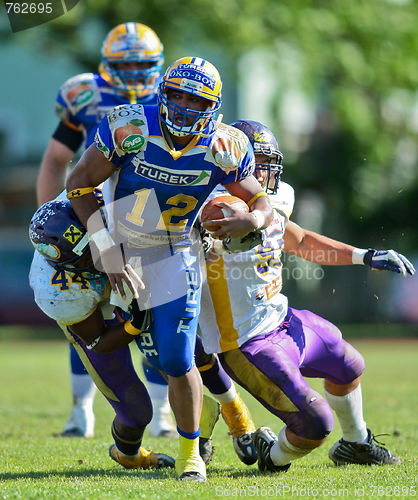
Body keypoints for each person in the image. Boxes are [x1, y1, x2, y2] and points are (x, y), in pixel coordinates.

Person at [65, 57, 273, 481]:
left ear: (211, 107)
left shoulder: (225, 146)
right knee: (87, 321)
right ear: (161, 93)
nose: (180, 105)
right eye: (174, 94)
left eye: (193, 99)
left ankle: (190, 454)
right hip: (118, 244)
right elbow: (78, 183)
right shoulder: (130, 126)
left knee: (177, 357)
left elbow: (260, 200)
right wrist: (105, 248)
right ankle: (105, 420)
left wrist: (252, 221)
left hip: (175, 247)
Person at [197, 120, 415, 473]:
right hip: (245, 342)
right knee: (315, 424)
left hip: (282, 320)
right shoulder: (207, 209)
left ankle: (356, 443)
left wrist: (364, 255)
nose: (265, 173)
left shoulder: (274, 199)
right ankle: (273, 456)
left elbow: (296, 240)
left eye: (269, 163)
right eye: (257, 164)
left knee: (348, 365)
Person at [35, 22, 175, 439]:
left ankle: (163, 412)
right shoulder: (86, 94)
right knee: (83, 306)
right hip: (88, 208)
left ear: (157, 64)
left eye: (141, 65)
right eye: (124, 65)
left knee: (151, 307)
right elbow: (56, 157)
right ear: (107, 64)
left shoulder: (172, 96)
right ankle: (80, 410)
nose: (133, 74)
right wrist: (48, 215)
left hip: (142, 212)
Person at [28, 197, 175, 471]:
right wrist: (134, 324)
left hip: (134, 260)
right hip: (90, 306)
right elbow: (98, 341)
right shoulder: (55, 290)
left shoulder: (102, 199)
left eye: (94, 245)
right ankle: (129, 455)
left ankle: (235, 418)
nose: (96, 258)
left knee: (184, 350)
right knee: (136, 412)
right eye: (86, 256)